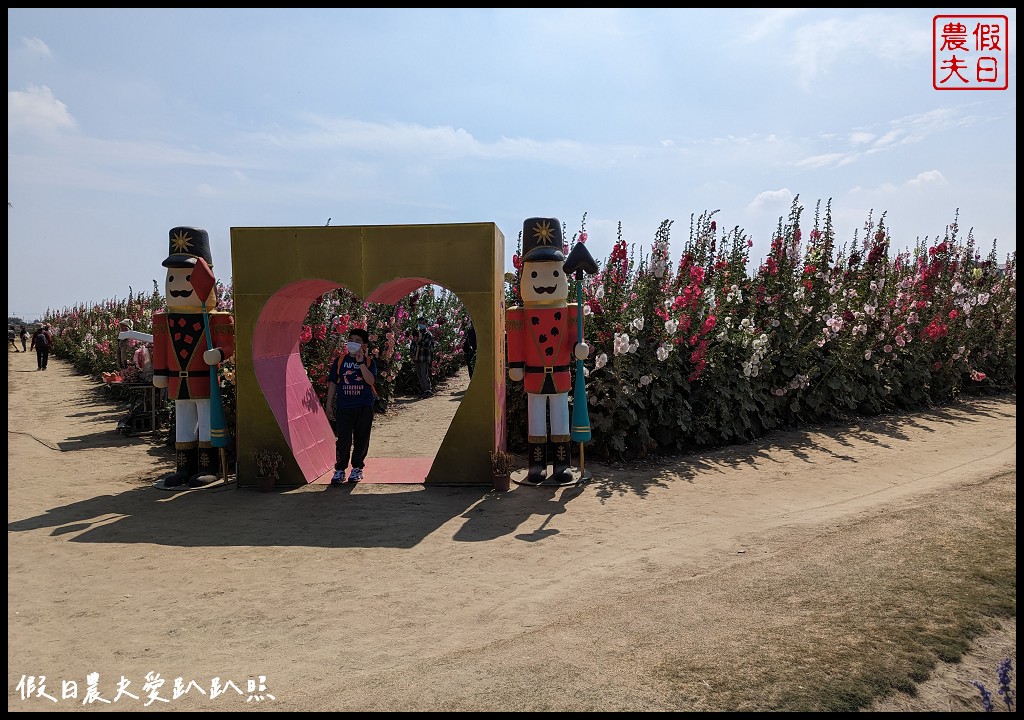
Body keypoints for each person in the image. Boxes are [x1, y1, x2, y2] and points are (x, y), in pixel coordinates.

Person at [151, 227, 235, 490]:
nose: (177, 287)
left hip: (203, 381)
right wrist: (160, 372)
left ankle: (207, 466)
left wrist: (218, 353)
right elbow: (162, 349)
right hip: (179, 382)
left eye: (186, 278)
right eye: (172, 279)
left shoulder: (216, 320)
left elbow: (229, 346)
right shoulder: (164, 321)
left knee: (208, 421)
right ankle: (183, 467)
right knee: (184, 423)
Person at [506, 217, 589, 484]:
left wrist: (580, 348)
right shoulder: (518, 315)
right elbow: (517, 343)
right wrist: (515, 364)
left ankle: (562, 464)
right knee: (537, 421)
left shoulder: (570, 311)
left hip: (561, 373)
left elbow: (576, 341)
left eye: (554, 273)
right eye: (534, 274)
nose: (544, 281)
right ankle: (536, 465)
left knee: (561, 419)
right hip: (534, 374)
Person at [325, 327, 378, 485]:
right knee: (343, 440)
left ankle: (357, 468)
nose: (353, 343)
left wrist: (361, 363)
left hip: (364, 406)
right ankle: (340, 469)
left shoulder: (369, 362)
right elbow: (334, 383)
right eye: (351, 340)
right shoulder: (340, 361)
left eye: (358, 341)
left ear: (364, 345)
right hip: (344, 407)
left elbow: (371, 381)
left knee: (362, 438)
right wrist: (329, 404)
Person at [411, 316, 435, 398]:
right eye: (420, 323)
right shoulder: (417, 334)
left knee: (424, 374)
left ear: (426, 324)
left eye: (423, 323)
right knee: (419, 374)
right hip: (417, 357)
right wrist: (412, 354)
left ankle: (428, 390)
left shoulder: (428, 334)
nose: (421, 324)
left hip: (424, 357)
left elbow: (426, 345)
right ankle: (423, 390)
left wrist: (418, 341)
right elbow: (413, 345)